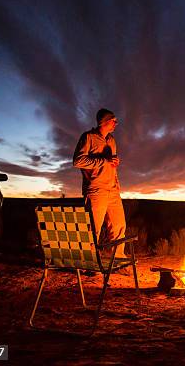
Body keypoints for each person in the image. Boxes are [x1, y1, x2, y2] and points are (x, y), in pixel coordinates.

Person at [73, 108, 128, 259]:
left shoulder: (111, 140)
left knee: (118, 226)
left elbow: (110, 163)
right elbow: (78, 161)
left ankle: (117, 260)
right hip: (96, 190)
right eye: (113, 120)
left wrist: (114, 163)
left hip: (113, 190)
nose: (116, 123)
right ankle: (88, 262)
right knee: (92, 229)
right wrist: (104, 160)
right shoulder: (88, 137)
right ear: (104, 121)